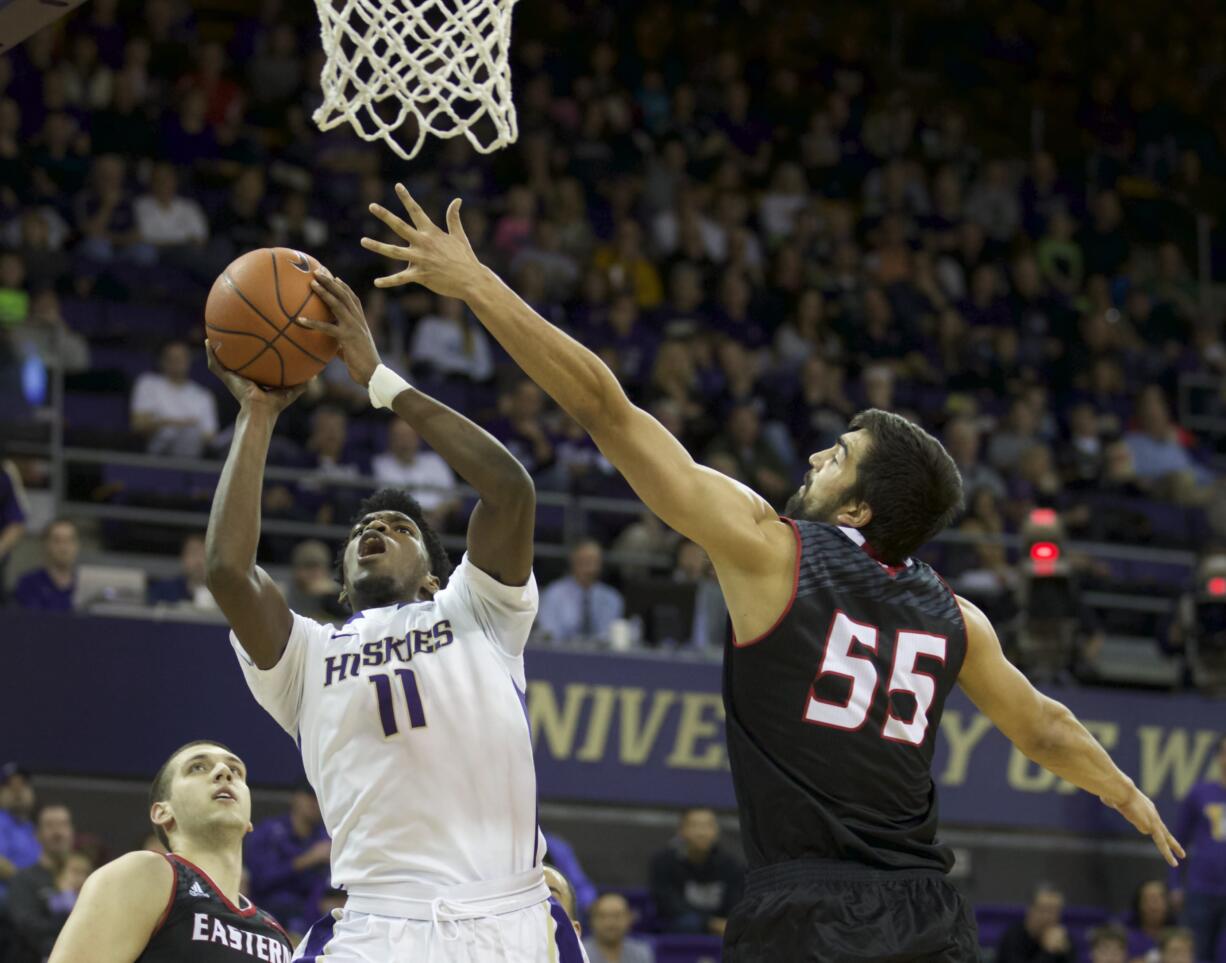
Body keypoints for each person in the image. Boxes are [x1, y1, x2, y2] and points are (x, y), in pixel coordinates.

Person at [364, 186, 1182, 962]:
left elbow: (606, 410)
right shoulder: (959, 619)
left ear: (859, 510)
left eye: (842, 457)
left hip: (805, 911)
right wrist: (1124, 792)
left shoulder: (772, 548)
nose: (821, 454)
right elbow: (1041, 726)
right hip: (923, 909)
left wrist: (475, 283)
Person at [203, 272, 584, 960]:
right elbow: (228, 572)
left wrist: (380, 378)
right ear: (345, 585)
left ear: (436, 574)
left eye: (398, 526)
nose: (373, 526)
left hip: (510, 918)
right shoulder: (306, 656)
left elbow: (509, 490)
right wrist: (257, 412)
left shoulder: (477, 609)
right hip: (377, 926)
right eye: (362, 529)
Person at [48, 740, 292, 962]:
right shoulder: (145, 874)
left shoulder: (275, 935)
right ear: (162, 812)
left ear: (249, 820)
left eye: (236, 771)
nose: (224, 772)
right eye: (197, 768)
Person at [245, 785, 330, 937]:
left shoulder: (326, 837)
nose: (315, 803)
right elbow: (260, 880)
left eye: (320, 798)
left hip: (310, 919)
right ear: (296, 797)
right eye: (310, 796)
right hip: (266, 914)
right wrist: (307, 859)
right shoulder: (269, 831)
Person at [1170, 735, 1226, 962]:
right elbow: (1177, 840)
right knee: (1197, 953)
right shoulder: (1200, 793)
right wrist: (1174, 883)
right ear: (1218, 757)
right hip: (1201, 890)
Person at [649, 808, 744, 937]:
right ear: (681, 831)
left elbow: (736, 902)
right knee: (688, 924)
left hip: (722, 926)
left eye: (708, 826)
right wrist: (709, 922)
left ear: (716, 831)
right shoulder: (663, 862)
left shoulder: (731, 865)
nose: (701, 833)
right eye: (694, 826)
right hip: (680, 928)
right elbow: (667, 902)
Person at [7, 804, 77, 963]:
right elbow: (28, 928)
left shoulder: (88, 878)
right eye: (50, 825)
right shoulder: (23, 880)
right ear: (37, 834)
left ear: (72, 831)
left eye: (63, 824)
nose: (57, 832)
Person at [130, 340, 218, 458]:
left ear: (189, 360)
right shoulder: (148, 383)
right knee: (169, 432)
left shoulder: (203, 395)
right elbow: (139, 425)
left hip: (192, 454)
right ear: (162, 360)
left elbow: (210, 436)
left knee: (191, 433)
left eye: (181, 358)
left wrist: (180, 426)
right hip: (157, 451)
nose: (176, 362)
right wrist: (174, 424)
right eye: (171, 357)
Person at [371, 419, 459, 529]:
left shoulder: (434, 461)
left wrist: (438, 513)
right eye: (398, 437)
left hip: (437, 524)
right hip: (398, 526)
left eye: (408, 436)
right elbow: (382, 503)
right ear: (390, 439)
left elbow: (455, 499)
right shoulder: (380, 464)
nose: (404, 442)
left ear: (418, 438)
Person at [536, 539, 624, 645]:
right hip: (562, 655)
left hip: (600, 657)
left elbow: (610, 636)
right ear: (573, 562)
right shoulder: (554, 594)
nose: (589, 567)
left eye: (593, 561)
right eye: (584, 561)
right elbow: (548, 633)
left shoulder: (612, 598)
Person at [995, 883, 1074, 963]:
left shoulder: (1063, 938)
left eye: (1054, 911)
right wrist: (1048, 952)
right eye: (1044, 910)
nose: (1048, 917)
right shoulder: (1013, 938)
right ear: (1030, 910)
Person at [13, 518, 79, 612]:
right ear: (46, 544)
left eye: (69, 540)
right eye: (57, 541)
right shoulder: (29, 584)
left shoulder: (82, 584)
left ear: (77, 545)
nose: (64, 547)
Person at [0, 763, 39, 904]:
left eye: (23, 785)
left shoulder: (31, 827)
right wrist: (31, 885)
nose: (18, 791)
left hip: (30, 897)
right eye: (11, 787)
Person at [147, 533, 213, 607]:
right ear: (183, 557)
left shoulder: (223, 594)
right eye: (193, 553)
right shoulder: (163, 590)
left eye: (204, 554)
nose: (198, 561)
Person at [584, 893, 654, 963]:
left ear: (629, 918)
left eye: (617, 916)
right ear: (592, 920)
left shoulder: (641, 953)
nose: (610, 923)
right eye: (603, 916)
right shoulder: (580, 953)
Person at [1127, 879, 1175, 960]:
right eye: (1148, 899)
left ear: (1167, 903)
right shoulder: (1127, 935)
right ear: (1139, 904)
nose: (1153, 906)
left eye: (1158, 899)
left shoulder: (1178, 934)